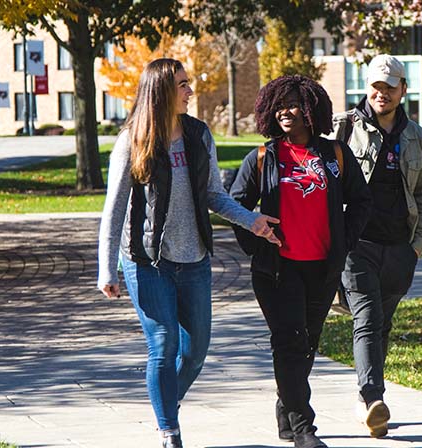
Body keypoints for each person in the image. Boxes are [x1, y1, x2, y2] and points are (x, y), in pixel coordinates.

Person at [97, 58, 280, 448]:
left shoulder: (199, 135)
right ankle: (169, 432)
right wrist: (106, 269)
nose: (190, 90)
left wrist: (252, 221)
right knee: (163, 344)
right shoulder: (133, 141)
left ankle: (165, 403)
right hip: (147, 261)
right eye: (182, 84)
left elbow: (214, 194)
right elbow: (114, 208)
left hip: (194, 258)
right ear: (161, 90)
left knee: (195, 352)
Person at [229, 74, 372, 448]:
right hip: (277, 268)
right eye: (279, 105)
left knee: (307, 342)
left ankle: (285, 410)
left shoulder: (335, 155)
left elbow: (361, 202)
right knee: (289, 341)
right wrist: (257, 245)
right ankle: (304, 427)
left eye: (293, 104)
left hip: (322, 266)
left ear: (311, 109)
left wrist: (344, 240)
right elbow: (234, 207)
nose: (285, 112)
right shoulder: (262, 157)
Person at [332, 54, 422, 438]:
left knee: (382, 324)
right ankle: (374, 396)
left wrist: (417, 246)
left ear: (403, 90)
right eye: (376, 86)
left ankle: (366, 401)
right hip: (356, 245)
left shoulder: (416, 136)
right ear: (367, 86)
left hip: (400, 247)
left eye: (390, 87)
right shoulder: (342, 128)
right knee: (368, 319)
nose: (382, 93)